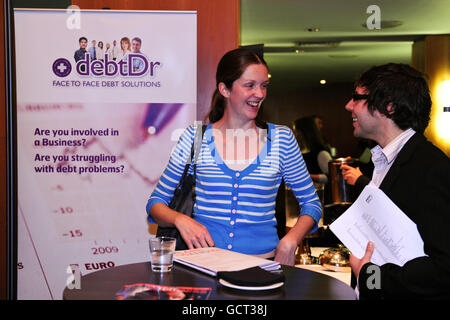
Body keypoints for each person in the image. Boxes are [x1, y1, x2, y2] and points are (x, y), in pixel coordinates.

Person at [146, 48, 322, 265]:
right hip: (203, 267)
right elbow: (156, 203)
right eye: (250, 85)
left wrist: (290, 240)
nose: (259, 94)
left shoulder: (281, 139)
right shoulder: (195, 137)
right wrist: (181, 220)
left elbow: (311, 203)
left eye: (263, 86)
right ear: (225, 89)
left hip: (261, 267)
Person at [344, 63, 450, 299]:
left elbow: (444, 268)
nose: (348, 105)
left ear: (388, 106)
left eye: (357, 98)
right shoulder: (380, 161)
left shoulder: (431, 168)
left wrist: (371, 277)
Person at [292, 116, 332, 184]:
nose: (294, 134)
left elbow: (330, 177)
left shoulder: (321, 152)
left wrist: (306, 176)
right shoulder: (298, 151)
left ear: (304, 132)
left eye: (296, 131)